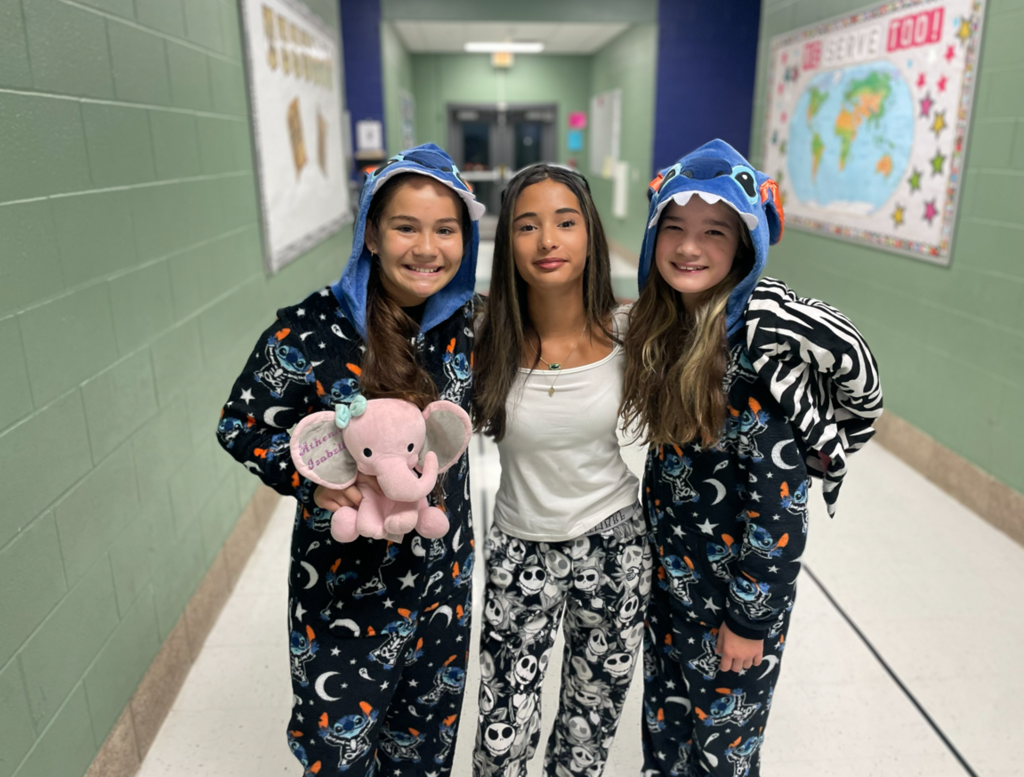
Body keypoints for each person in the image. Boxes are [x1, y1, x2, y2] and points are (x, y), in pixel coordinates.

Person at [216, 144, 485, 776]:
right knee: (338, 751)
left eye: (446, 230)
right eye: (405, 227)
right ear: (370, 232)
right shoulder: (313, 327)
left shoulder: (467, 326)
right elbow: (240, 424)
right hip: (342, 585)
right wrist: (311, 486)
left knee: (423, 744)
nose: (428, 248)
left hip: (443, 579)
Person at [620, 139, 882, 777]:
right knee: (667, 727)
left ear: (745, 246)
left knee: (721, 753)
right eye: (674, 229)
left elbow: (779, 511)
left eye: (715, 232)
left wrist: (748, 620)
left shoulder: (763, 361)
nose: (689, 247)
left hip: (734, 601)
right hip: (672, 586)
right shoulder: (675, 333)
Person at [471, 164, 650, 777]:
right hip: (519, 546)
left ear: (590, 235)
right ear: (508, 243)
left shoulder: (631, 332)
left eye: (565, 222)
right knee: (502, 729)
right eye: (528, 226)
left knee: (588, 729)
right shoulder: (484, 335)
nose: (548, 240)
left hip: (614, 548)